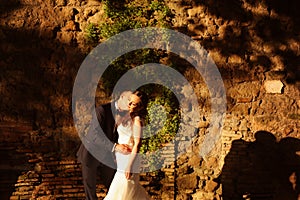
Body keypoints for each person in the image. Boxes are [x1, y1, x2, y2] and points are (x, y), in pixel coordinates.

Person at [76, 91, 133, 200]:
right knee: (90, 189)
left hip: (107, 155)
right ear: (121, 97)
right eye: (128, 99)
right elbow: (95, 135)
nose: (130, 103)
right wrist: (115, 147)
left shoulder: (126, 114)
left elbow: (116, 134)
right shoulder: (102, 110)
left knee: (113, 184)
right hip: (90, 154)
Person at [104, 90, 151, 200]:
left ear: (140, 107)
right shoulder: (125, 116)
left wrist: (129, 165)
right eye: (129, 101)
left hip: (129, 160)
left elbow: (137, 144)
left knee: (123, 190)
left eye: (133, 103)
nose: (129, 104)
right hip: (121, 158)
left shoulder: (137, 120)